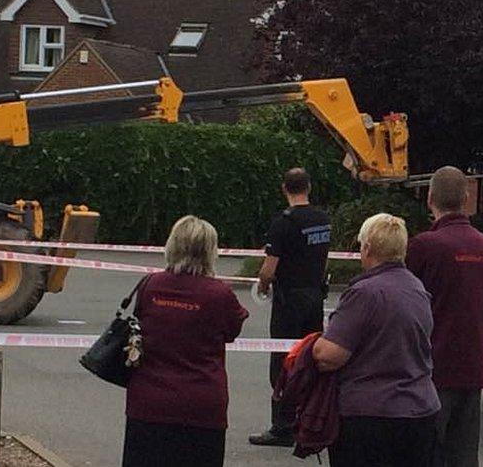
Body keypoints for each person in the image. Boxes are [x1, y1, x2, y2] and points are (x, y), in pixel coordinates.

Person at [313, 213, 441, 467]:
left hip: (371, 416)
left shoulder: (364, 293)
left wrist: (314, 344)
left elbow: (328, 356)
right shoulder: (417, 289)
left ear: (368, 248)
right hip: (420, 410)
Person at [123, 215, 248, 467]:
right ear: (210, 251)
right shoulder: (219, 294)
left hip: (149, 402)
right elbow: (233, 330)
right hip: (201, 406)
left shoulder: (150, 285)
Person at [406, 166, 483, 467]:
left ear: (430, 198)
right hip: (472, 368)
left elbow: (403, 298)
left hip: (432, 367)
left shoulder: (424, 246)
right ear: (466, 199)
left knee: (425, 453)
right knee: (463, 456)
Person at [249, 168, 332, 447]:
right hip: (314, 297)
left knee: (283, 360)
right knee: (310, 358)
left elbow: (269, 270)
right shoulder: (322, 220)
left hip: (290, 301)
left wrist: (261, 286)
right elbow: (325, 259)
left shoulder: (283, 223)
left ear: (285, 188)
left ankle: (281, 426)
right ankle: (307, 420)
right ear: (308, 187)